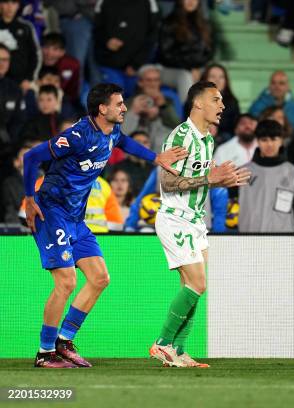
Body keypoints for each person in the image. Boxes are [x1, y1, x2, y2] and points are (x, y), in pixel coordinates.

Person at [23, 82, 186, 368]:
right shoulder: (77, 135)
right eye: (119, 103)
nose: (124, 108)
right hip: (52, 212)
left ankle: (64, 342)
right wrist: (28, 197)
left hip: (76, 219)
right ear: (102, 108)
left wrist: (156, 157)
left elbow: (123, 141)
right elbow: (31, 156)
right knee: (66, 282)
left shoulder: (112, 132)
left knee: (99, 278)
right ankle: (44, 352)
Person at [149, 81, 250, 367]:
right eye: (216, 100)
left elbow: (201, 181)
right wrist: (210, 178)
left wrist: (224, 180)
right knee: (197, 284)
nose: (222, 105)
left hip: (195, 222)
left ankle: (178, 351)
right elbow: (167, 181)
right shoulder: (182, 136)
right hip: (174, 218)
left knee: (193, 287)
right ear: (198, 104)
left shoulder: (207, 139)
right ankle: (162, 344)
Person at [238, 119, 294, 233]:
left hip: (283, 242)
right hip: (248, 241)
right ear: (257, 141)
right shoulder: (242, 172)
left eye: (274, 139)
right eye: (264, 140)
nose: (269, 144)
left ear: (281, 141)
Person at [93, 0, 160, 93]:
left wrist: (136, 64)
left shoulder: (149, 2)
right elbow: (96, 28)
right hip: (109, 64)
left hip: (138, 66)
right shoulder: (104, 2)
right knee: (115, 96)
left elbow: (153, 36)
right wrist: (106, 41)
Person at [159, 0, 212, 103]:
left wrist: (197, 68)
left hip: (197, 68)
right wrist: (189, 68)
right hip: (171, 69)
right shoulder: (170, 23)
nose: (191, 1)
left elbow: (209, 52)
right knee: (185, 77)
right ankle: (189, 114)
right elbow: (166, 55)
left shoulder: (204, 24)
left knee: (215, 74)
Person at [0, 0, 41, 93]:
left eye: (14, 3)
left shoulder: (26, 27)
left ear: (18, 5)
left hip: (21, 82)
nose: (10, 7)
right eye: (6, 2)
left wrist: (29, 79)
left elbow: (35, 55)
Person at [203, 63, 240, 142]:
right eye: (212, 76)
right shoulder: (193, 99)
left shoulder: (232, 102)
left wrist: (214, 125)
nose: (217, 80)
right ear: (205, 79)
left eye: (221, 77)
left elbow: (233, 125)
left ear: (226, 81)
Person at [40, 33, 80, 105]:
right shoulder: (32, 63)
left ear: (62, 52)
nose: (49, 53)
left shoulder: (72, 65)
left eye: (55, 49)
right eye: (46, 47)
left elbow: (73, 90)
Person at [0, 42, 26, 144]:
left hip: (7, 146)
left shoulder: (14, 89)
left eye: (5, 60)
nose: (2, 63)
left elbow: (20, 121)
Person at [1, 142, 32, 223]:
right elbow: (10, 212)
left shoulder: (45, 180)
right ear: (16, 162)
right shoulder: (9, 184)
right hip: (21, 229)